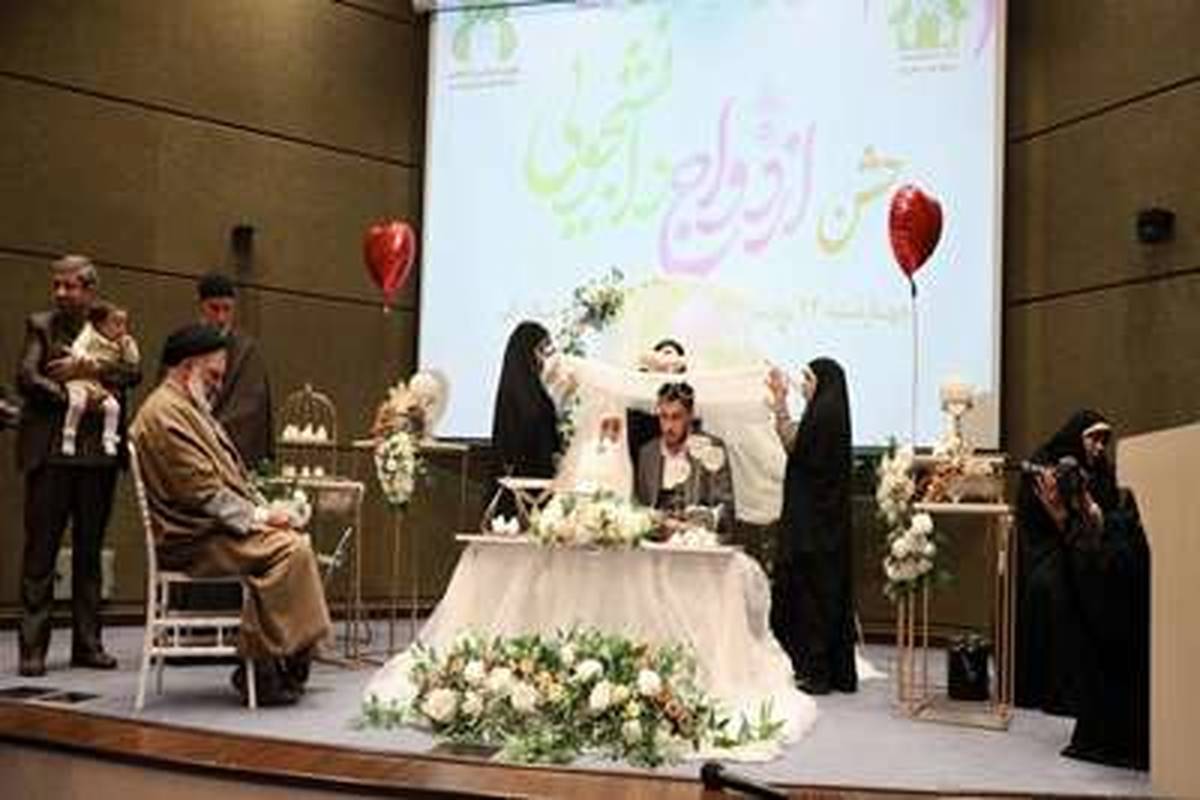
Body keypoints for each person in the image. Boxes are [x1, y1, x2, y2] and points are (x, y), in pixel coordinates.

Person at [130, 323, 331, 706]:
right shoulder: (163, 415)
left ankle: (281, 657)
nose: (219, 386)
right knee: (291, 551)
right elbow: (203, 493)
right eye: (213, 376)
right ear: (187, 368)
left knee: (294, 542)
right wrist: (261, 516)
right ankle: (268, 662)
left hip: (213, 529)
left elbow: (226, 479)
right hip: (192, 538)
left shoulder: (185, 408)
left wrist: (267, 510)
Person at [15, 254, 141, 677]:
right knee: (41, 553)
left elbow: (132, 372)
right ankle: (32, 647)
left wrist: (89, 367)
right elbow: (26, 377)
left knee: (90, 552)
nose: (60, 293)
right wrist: (70, 392)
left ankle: (88, 644)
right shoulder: (41, 325)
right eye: (57, 285)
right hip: (51, 454)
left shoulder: (110, 323)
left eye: (69, 286)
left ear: (89, 290)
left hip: (97, 458)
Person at [1015, 410, 1149, 769]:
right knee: (1053, 586)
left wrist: (1087, 517)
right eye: (1094, 438)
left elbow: (1106, 519)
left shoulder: (1103, 471)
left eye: (1105, 439)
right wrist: (1066, 519)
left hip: (1088, 546)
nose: (1100, 446)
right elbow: (1036, 524)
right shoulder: (1045, 465)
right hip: (1047, 549)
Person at [765, 358, 858, 695]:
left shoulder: (822, 417)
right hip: (826, 531)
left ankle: (816, 672)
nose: (803, 384)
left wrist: (780, 404)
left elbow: (794, 444)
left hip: (811, 532)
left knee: (809, 600)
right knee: (825, 598)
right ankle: (833, 672)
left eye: (808, 378)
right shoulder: (832, 415)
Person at [197, 273, 274, 470]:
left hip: (229, 459)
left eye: (227, 309)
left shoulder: (246, 353)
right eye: (214, 308)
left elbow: (250, 409)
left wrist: (210, 435)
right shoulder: (183, 347)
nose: (221, 318)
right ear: (201, 306)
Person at [634, 381, 735, 532]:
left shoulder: (711, 448)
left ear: (690, 415)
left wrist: (706, 517)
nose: (668, 426)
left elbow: (727, 510)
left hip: (697, 539)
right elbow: (640, 506)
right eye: (663, 416)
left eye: (676, 417)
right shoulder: (648, 453)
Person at [60, 300, 140, 457]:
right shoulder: (90, 333)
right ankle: (69, 435)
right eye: (116, 324)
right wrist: (84, 359)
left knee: (113, 408)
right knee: (77, 404)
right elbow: (77, 348)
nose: (121, 329)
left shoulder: (119, 342)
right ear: (100, 324)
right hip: (80, 381)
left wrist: (128, 345)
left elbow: (133, 363)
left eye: (124, 324)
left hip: (98, 384)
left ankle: (109, 438)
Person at [491, 321, 561, 479]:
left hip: (541, 475)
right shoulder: (517, 392)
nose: (545, 358)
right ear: (526, 352)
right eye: (541, 350)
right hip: (523, 478)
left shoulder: (538, 388)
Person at [627, 338, 687, 464]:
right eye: (664, 353)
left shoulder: (685, 391)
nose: (667, 359)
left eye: (670, 354)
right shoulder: (640, 386)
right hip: (643, 447)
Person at [556, 409, 633, 498]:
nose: (610, 433)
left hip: (608, 494)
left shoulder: (620, 455)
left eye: (615, 429)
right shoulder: (588, 448)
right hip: (584, 491)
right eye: (605, 428)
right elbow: (580, 473)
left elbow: (622, 482)